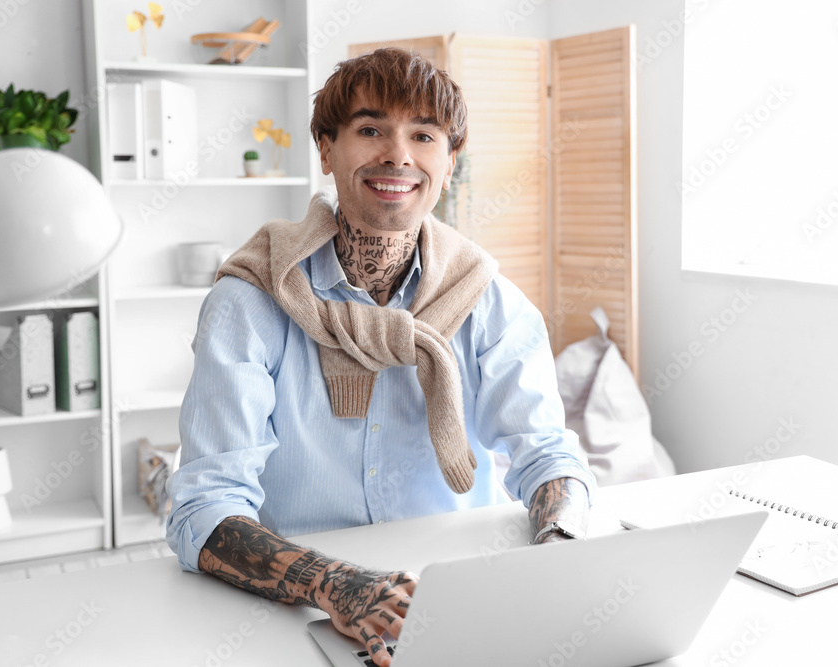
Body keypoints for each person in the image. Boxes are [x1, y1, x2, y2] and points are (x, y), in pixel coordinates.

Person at [165, 48, 596, 667]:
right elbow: (206, 507)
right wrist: (337, 584)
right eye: (370, 130)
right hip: (290, 613)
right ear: (325, 149)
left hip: (460, 606)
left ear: (450, 163)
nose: (398, 155)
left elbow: (548, 453)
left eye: (423, 135)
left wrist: (563, 546)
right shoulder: (250, 301)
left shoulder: (490, 300)